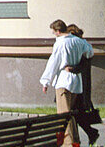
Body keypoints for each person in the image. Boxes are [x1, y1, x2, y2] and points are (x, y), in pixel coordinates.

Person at [39, 19, 92, 147]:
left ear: (58, 31)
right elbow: (90, 52)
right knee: (71, 114)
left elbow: (53, 63)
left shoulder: (60, 43)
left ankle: (68, 144)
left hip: (63, 81)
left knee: (64, 115)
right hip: (76, 82)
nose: (54, 35)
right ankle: (75, 142)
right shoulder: (78, 41)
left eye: (54, 32)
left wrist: (45, 81)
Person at [65, 25, 100, 145]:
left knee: (75, 113)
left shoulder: (82, 47)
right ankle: (89, 133)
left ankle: (89, 134)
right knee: (76, 113)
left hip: (79, 86)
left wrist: (72, 69)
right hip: (79, 85)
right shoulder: (84, 46)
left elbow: (82, 66)